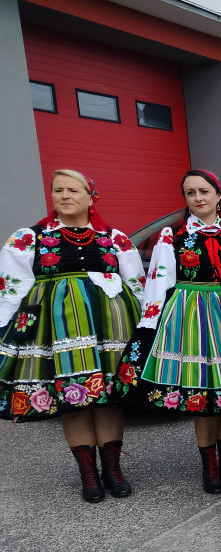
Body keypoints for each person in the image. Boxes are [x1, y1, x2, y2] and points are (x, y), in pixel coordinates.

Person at [0, 170, 144, 502]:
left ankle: (113, 470)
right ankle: (89, 475)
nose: (64, 196)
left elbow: (136, 285)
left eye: (73, 190)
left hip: (111, 328)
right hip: (58, 329)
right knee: (75, 399)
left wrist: (145, 327)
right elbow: (11, 287)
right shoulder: (28, 237)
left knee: (108, 398)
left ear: (91, 197)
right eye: (58, 190)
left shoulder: (114, 237)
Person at [116, 170, 221, 494]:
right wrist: (149, 325)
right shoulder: (173, 236)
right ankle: (209, 467)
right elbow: (158, 281)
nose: (198, 198)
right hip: (192, 316)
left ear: (218, 194)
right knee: (203, 392)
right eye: (191, 192)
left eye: (204, 191)